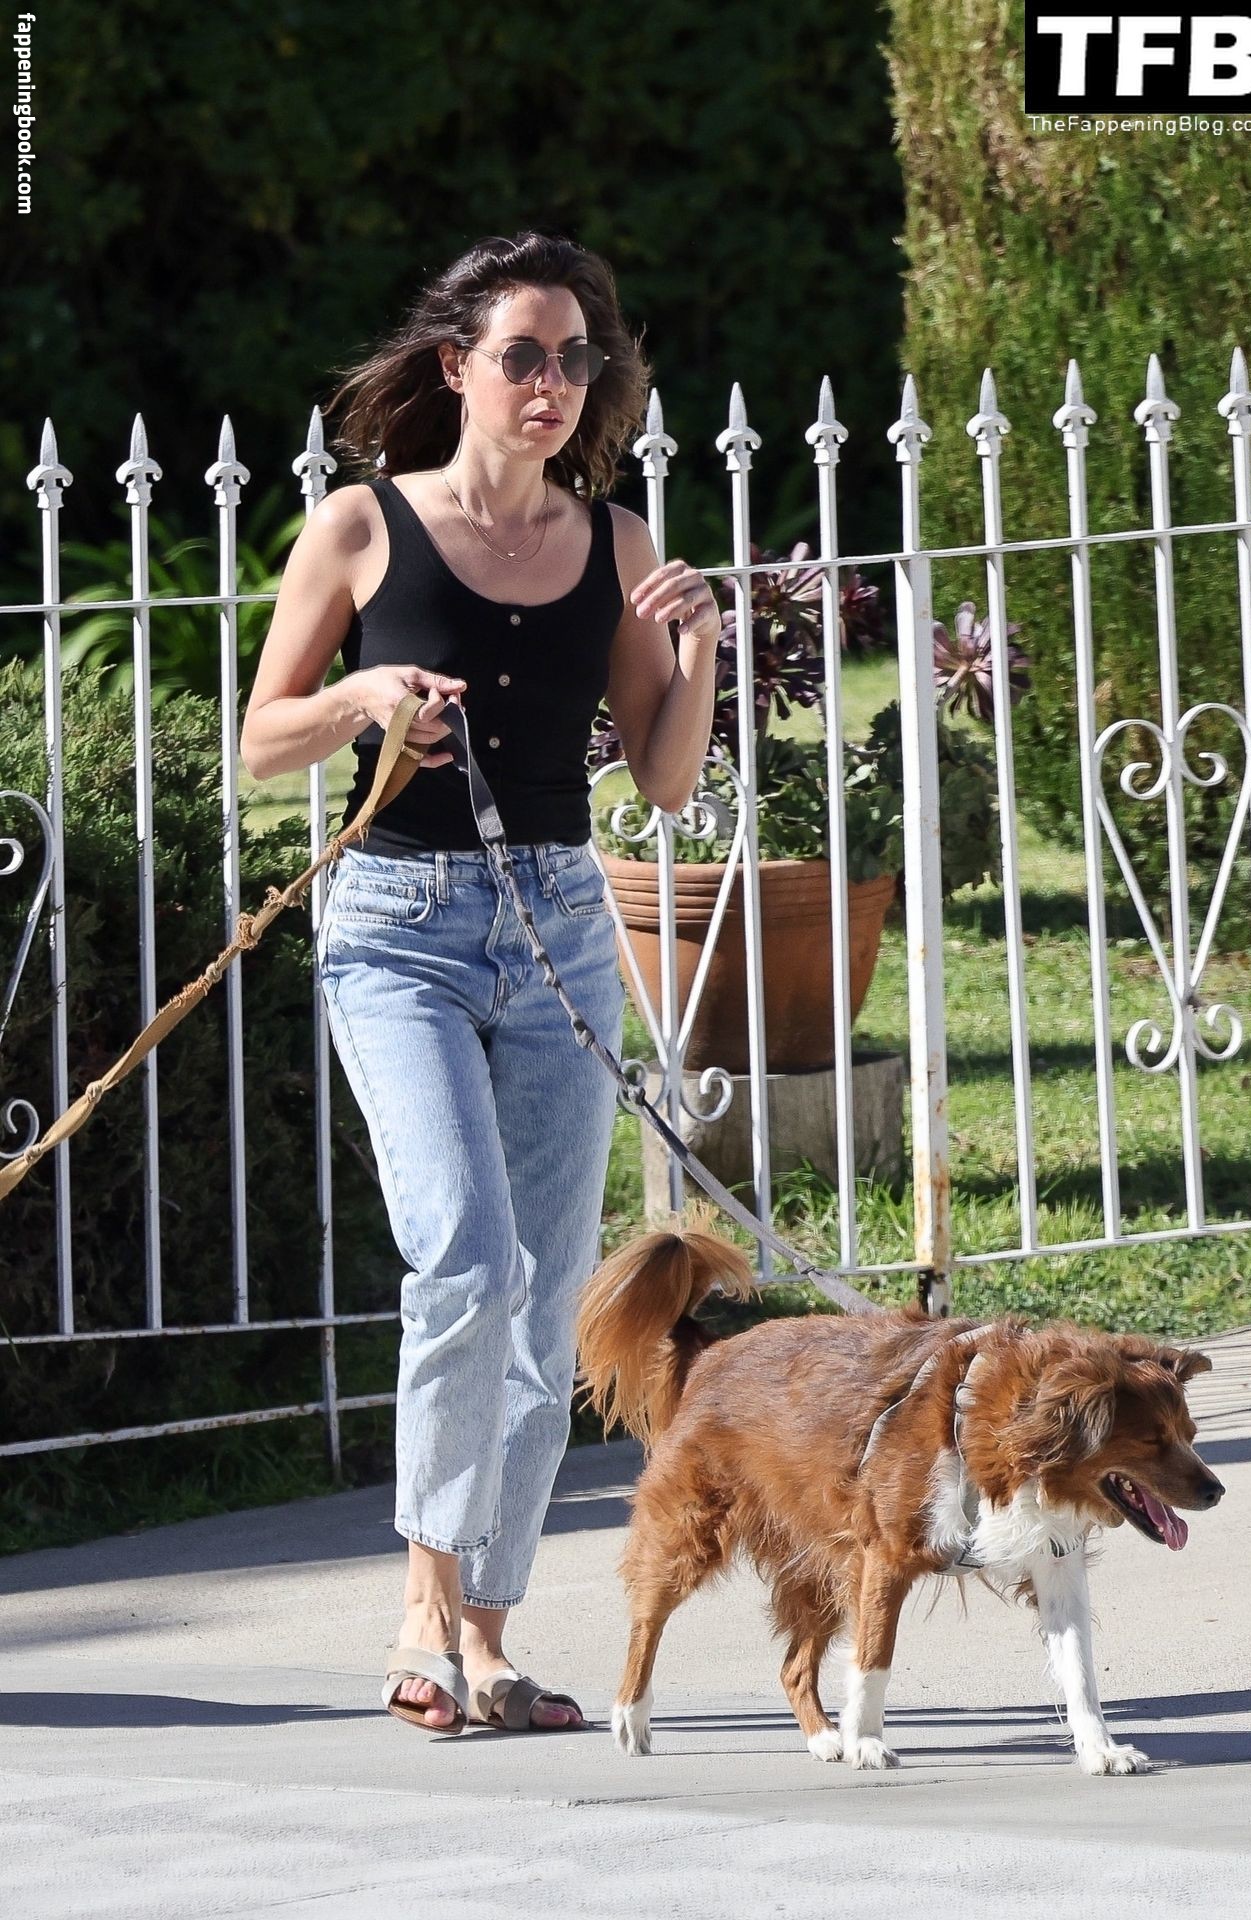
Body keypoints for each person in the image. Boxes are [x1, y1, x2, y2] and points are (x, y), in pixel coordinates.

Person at [239, 231, 721, 1735]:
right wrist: (362, 696)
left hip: (559, 925)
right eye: (524, 355)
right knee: (463, 1255)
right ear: (458, 367)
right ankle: (420, 1610)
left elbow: (662, 780)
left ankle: (491, 1635)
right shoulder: (362, 527)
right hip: (397, 929)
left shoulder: (616, 544)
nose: (553, 383)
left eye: (577, 358)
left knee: (544, 1292)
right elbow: (260, 739)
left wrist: (699, 653)